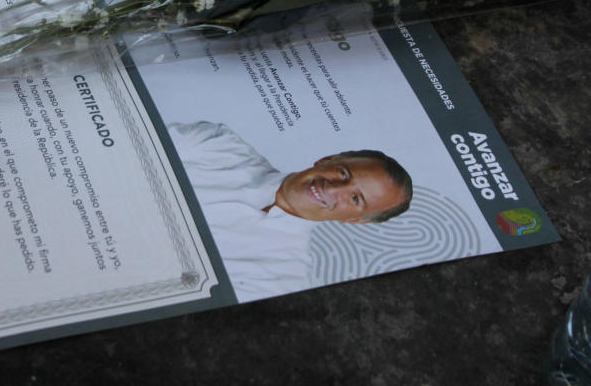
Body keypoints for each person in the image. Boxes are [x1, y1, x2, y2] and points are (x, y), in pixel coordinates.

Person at [167, 120, 413, 302]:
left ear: (356, 220)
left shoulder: (281, 281)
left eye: (355, 198)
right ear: (326, 159)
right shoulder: (217, 145)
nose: (333, 188)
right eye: (343, 173)